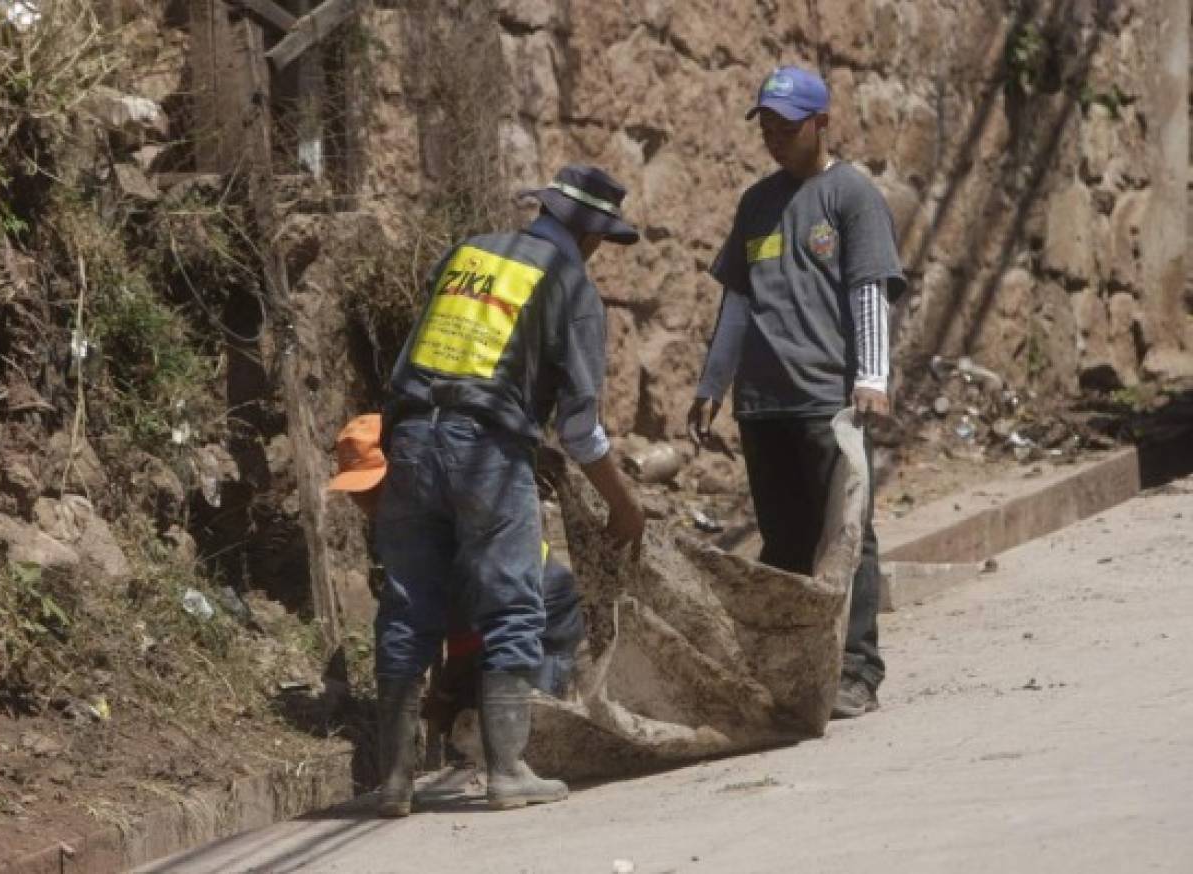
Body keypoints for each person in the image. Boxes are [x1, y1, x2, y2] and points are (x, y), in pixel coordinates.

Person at [371, 165, 645, 816]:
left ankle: (393, 780)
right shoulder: (570, 282)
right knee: (513, 608)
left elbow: (413, 362)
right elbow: (581, 429)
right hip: (488, 450)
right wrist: (622, 502)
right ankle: (508, 771)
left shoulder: (467, 253)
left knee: (407, 610)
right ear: (589, 234)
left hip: (409, 438)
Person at [686, 66, 906, 721]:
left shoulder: (851, 196)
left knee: (847, 535)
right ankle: (791, 672)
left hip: (827, 403)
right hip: (765, 404)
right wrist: (711, 384)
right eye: (768, 127)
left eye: (788, 127)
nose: (775, 139)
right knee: (783, 545)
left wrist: (872, 377)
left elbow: (868, 288)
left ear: (822, 123)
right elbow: (737, 303)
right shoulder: (756, 203)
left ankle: (857, 670)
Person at [325, 414, 586, 747]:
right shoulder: (406, 519)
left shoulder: (440, 509)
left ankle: (530, 762)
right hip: (495, 607)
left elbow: (464, 617)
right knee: (477, 702)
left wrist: (448, 688)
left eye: (374, 489)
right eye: (357, 493)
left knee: (537, 712)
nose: (364, 502)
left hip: (543, 602)